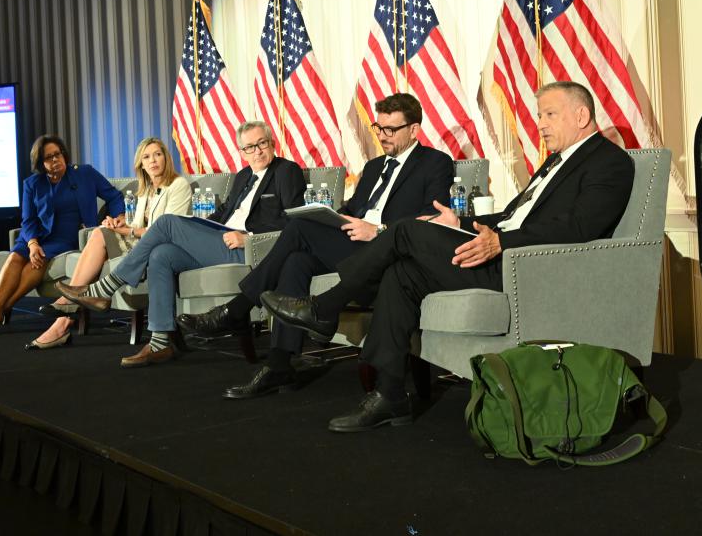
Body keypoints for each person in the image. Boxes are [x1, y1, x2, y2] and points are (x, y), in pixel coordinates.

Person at [263, 81, 635, 432]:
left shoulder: (608, 162)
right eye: (539, 116)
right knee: (401, 273)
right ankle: (390, 394)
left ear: (581, 115)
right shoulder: (555, 161)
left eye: (548, 115)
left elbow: (580, 228)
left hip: (525, 267)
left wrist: (501, 244)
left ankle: (324, 307)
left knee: (405, 229)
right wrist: (463, 221)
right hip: (498, 251)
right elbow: (511, 216)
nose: (539, 125)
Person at [178, 93, 453, 399]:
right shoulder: (374, 168)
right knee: (296, 260)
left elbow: (434, 218)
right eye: (379, 127)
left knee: (298, 228)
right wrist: (335, 217)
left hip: (388, 253)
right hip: (353, 244)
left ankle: (238, 308)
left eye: (391, 130)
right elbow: (353, 208)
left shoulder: (435, 163)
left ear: (414, 130)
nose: (382, 136)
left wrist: (379, 230)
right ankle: (279, 365)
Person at [56, 121, 305, 367]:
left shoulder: (286, 171)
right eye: (250, 147)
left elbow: (293, 220)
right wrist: (196, 225)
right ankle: (160, 342)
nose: (258, 151)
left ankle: (106, 288)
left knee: (165, 223)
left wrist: (248, 236)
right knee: (161, 255)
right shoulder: (242, 177)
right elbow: (222, 213)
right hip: (220, 240)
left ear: (272, 143)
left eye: (262, 143)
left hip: (246, 248)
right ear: (242, 152)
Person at [26, 137, 191, 350]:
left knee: (100, 235)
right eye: (146, 157)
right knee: (100, 232)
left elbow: (166, 230)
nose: (153, 161)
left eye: (158, 154)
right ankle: (66, 316)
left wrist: (128, 230)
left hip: (161, 246)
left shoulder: (178, 185)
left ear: (166, 158)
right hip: (140, 241)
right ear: (140, 164)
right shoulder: (146, 189)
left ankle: (66, 309)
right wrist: (118, 222)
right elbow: (136, 223)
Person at [0, 135, 123, 335]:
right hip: (36, 235)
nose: (55, 160)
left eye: (57, 154)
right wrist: (32, 243)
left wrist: (118, 215)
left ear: (64, 154)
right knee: (16, 256)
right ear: (41, 163)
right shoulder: (32, 183)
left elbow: (114, 195)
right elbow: (28, 219)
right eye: (48, 158)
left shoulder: (85, 173)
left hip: (66, 236)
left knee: (38, 260)